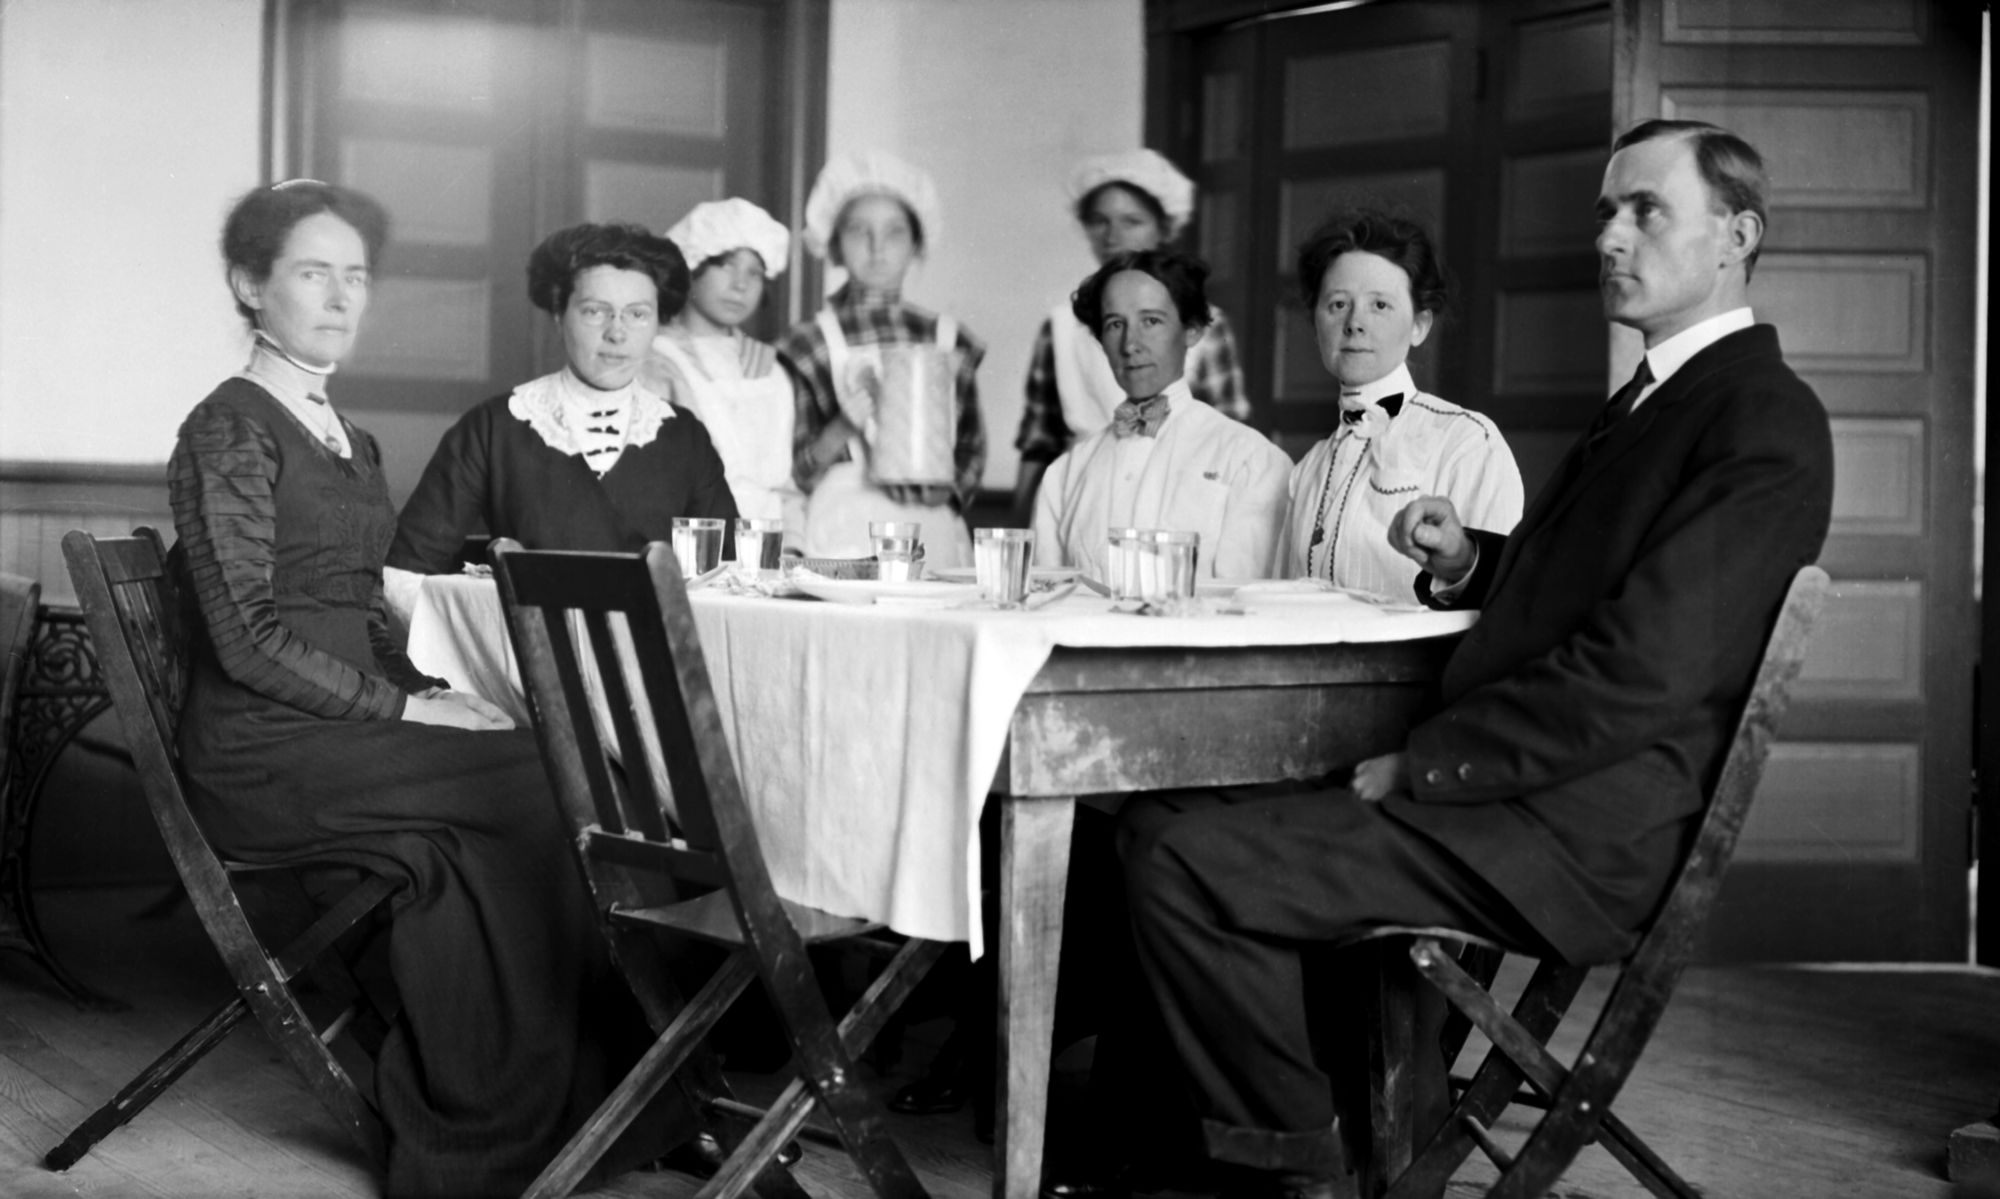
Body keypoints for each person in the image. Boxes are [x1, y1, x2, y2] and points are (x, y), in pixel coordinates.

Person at [1114, 119, 1834, 1199]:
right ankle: (1284, 1133)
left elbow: (1641, 671)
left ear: (1736, 236)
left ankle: (1299, 1168)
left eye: (1646, 211)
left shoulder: (1759, 417)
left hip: (1570, 831)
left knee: (1182, 860)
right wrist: (1469, 562)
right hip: (1522, 795)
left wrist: (1424, 765)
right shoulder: (1657, 398)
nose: (1610, 236)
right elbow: (1584, 593)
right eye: (1606, 212)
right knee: (1151, 819)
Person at [170, 181, 691, 1196]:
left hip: (335, 727)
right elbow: (246, 641)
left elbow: (362, 609)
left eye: (356, 276)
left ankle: (585, 1109)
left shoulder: (343, 434)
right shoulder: (227, 429)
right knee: (546, 781)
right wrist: (410, 708)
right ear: (250, 283)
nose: (340, 298)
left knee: (536, 774)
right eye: (312, 273)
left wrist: (431, 686)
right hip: (262, 747)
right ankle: (495, 1131)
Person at [386, 221, 737, 585]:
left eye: (637, 314)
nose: (617, 333)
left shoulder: (685, 436)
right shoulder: (493, 427)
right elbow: (404, 573)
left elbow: (730, 576)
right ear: (559, 314)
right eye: (595, 311)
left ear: (657, 323)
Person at [1279, 210, 1523, 600]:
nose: (1355, 323)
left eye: (1380, 305)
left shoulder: (1466, 442)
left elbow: (1501, 596)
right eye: (1338, 304)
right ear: (1316, 324)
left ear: (1419, 326)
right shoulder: (1307, 470)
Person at [1014, 149, 1251, 518]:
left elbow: (1230, 432)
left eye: (1132, 221)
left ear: (1163, 228)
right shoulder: (1061, 327)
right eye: (1100, 222)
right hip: (1083, 497)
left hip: (1179, 495)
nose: (1113, 236)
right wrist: (1021, 525)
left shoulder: (1205, 324)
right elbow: (1038, 443)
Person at [1031, 249, 1291, 582]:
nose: (1130, 344)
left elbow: (1248, 600)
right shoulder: (1065, 474)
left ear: (1192, 330)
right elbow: (1048, 597)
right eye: (1115, 325)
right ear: (1100, 340)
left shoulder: (1249, 460)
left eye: (1151, 321)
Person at [777, 151, 984, 566]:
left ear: (916, 244)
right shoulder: (807, 343)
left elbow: (970, 447)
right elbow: (793, 470)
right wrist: (840, 428)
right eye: (858, 231)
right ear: (834, 244)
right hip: (840, 525)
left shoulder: (949, 339)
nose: (877, 248)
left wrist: (947, 491)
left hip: (931, 526)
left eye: (894, 232)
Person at [642, 197, 805, 549]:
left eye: (755, 272)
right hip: (698, 551)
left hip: (770, 553)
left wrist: (792, 550)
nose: (740, 285)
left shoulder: (770, 369)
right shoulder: (655, 362)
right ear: (692, 267)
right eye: (726, 265)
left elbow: (785, 489)